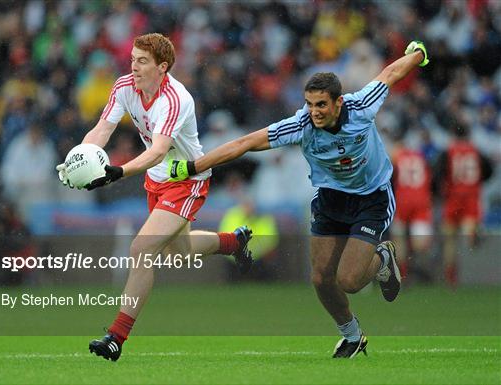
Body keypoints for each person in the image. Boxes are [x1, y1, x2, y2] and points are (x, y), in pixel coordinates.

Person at [168, 41, 430, 358]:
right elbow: (246, 142)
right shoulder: (301, 125)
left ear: (338, 102)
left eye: (321, 105)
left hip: (370, 198)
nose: (314, 112)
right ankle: (352, 335)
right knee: (321, 278)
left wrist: (417, 54)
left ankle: (383, 259)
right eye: (309, 104)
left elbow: (390, 73)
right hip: (330, 200)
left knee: (348, 280)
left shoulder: (361, 106)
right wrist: (194, 166)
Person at [56, 33, 253, 361]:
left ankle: (116, 336)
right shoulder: (123, 86)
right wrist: (80, 157)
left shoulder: (176, 99)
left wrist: (118, 171)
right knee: (182, 252)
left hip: (187, 179)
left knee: (141, 249)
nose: (134, 66)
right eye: (133, 59)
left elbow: (159, 150)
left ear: (163, 67)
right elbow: (103, 129)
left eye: (142, 61)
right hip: (157, 179)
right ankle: (234, 242)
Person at [434, 120, 493, 287]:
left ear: (453, 134)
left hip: (453, 198)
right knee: (468, 235)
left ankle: (451, 278)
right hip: (471, 198)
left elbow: (438, 173)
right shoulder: (477, 152)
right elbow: (489, 171)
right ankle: (475, 233)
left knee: (450, 240)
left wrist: (442, 190)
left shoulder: (448, 152)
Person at [391, 133, 434, 282]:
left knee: (399, 238)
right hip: (421, 200)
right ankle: (416, 270)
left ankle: (402, 273)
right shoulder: (422, 157)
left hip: (402, 200)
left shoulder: (397, 156)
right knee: (420, 245)